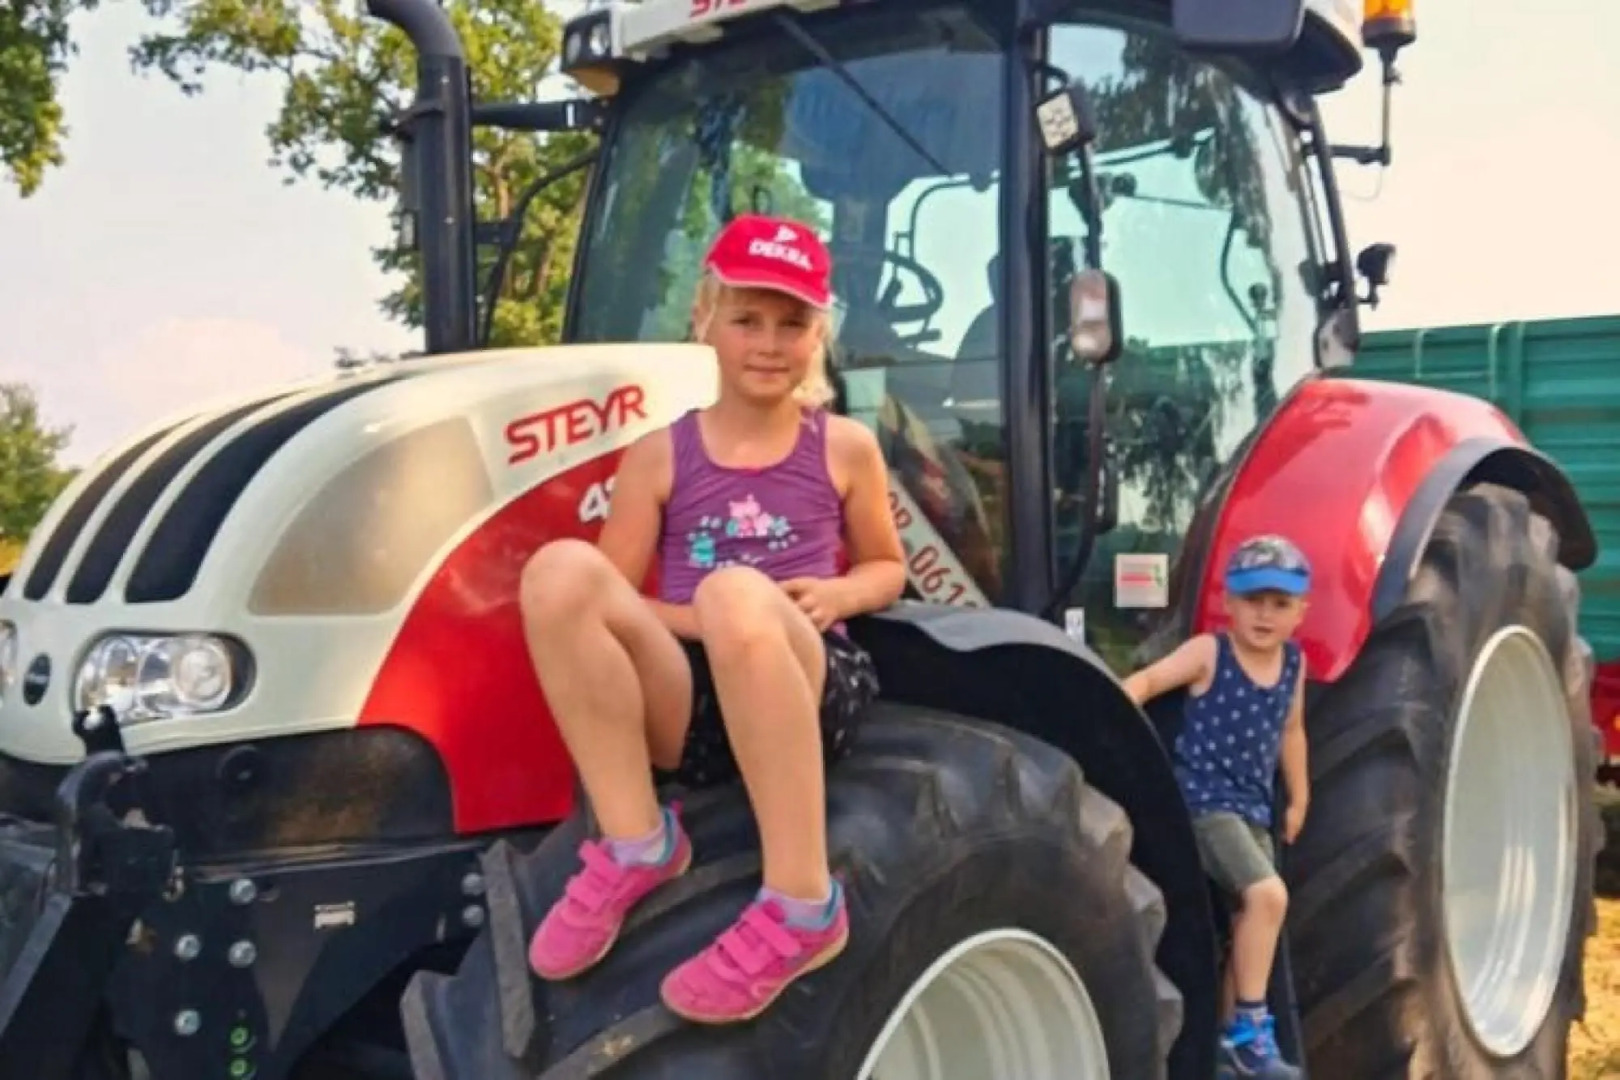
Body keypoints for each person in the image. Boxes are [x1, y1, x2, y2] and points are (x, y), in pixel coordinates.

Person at [517, 213, 907, 1026]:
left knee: (736, 593)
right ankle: (637, 841)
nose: (768, 343)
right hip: (691, 691)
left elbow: (887, 568)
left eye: (791, 324)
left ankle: (803, 903)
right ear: (705, 319)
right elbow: (614, 602)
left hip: (807, 681)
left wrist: (836, 595)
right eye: (746, 319)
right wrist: (700, 617)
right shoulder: (659, 455)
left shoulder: (842, 448)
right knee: (559, 571)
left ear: (818, 335)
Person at [1122, 535, 1311, 1080]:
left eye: (1280, 604)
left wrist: (1299, 795)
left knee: (1245, 922)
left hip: (1253, 810)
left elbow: (1291, 733)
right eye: (1253, 600)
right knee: (1267, 896)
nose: (1264, 615)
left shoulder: (1292, 666)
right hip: (1205, 805)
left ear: (1302, 611)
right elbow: (1154, 679)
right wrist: (1118, 699)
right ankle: (1252, 1034)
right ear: (1229, 602)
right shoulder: (1211, 652)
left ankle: (1230, 1049)